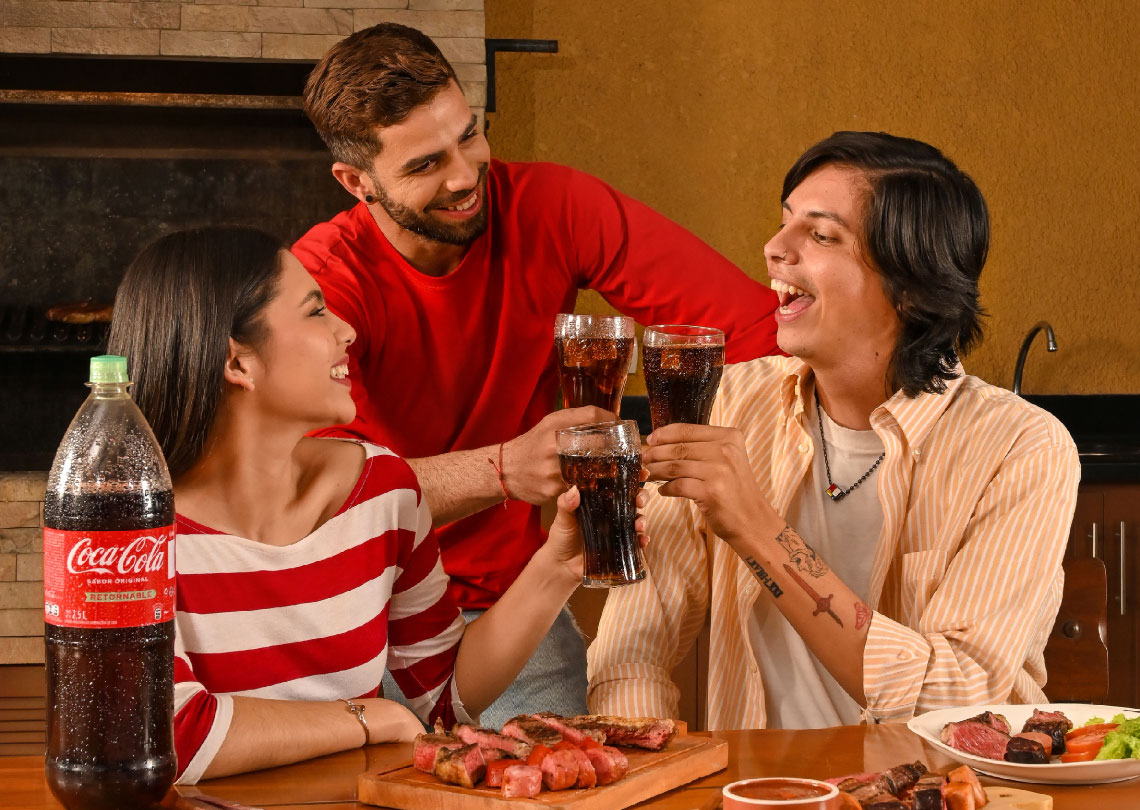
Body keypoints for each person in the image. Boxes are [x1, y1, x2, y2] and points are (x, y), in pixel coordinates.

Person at [291, 23, 782, 726]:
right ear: (356, 181)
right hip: (353, 616)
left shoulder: (552, 205)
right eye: (426, 164)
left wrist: (687, 467)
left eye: (469, 135)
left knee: (574, 776)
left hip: (510, 609)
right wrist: (504, 470)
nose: (465, 176)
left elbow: (754, 329)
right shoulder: (320, 282)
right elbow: (326, 497)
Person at [106, 225, 649, 784]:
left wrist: (558, 566)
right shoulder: (121, 538)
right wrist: (367, 719)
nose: (345, 331)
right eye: (316, 311)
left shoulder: (382, 490)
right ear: (239, 364)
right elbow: (165, 736)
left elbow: (441, 700)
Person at [587, 131, 1081, 729]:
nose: (774, 248)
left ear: (912, 287)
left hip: (933, 779)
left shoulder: (1021, 447)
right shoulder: (731, 400)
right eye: (785, 222)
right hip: (759, 780)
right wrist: (645, 761)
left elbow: (959, 700)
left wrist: (757, 527)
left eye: (822, 235)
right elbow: (631, 650)